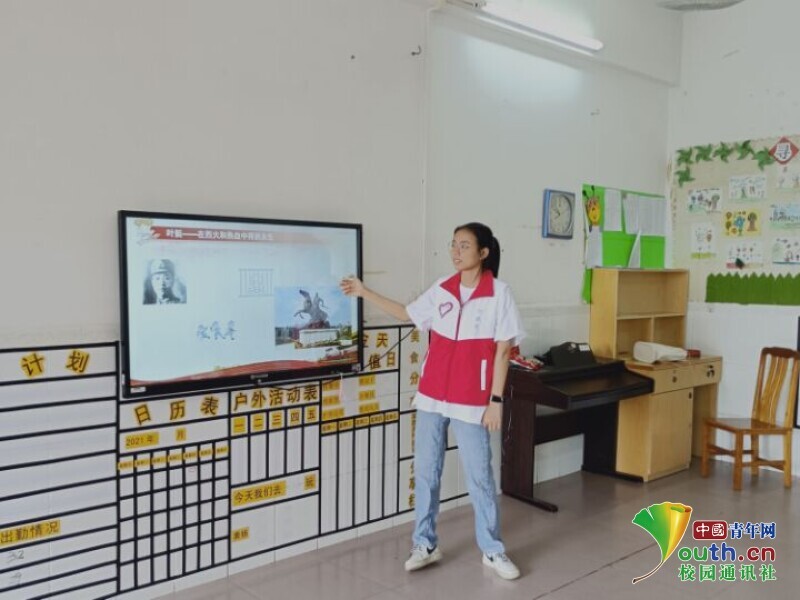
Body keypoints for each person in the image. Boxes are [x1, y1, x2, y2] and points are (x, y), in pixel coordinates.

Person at [340, 222, 525, 580]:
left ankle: (492, 549)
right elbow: (407, 313)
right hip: (431, 398)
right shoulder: (442, 288)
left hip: (472, 401)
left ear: (483, 252)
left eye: (464, 245)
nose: (456, 251)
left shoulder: (500, 294)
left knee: (480, 477)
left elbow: (503, 351)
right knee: (426, 473)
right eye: (453, 244)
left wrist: (496, 401)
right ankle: (424, 544)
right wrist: (363, 291)